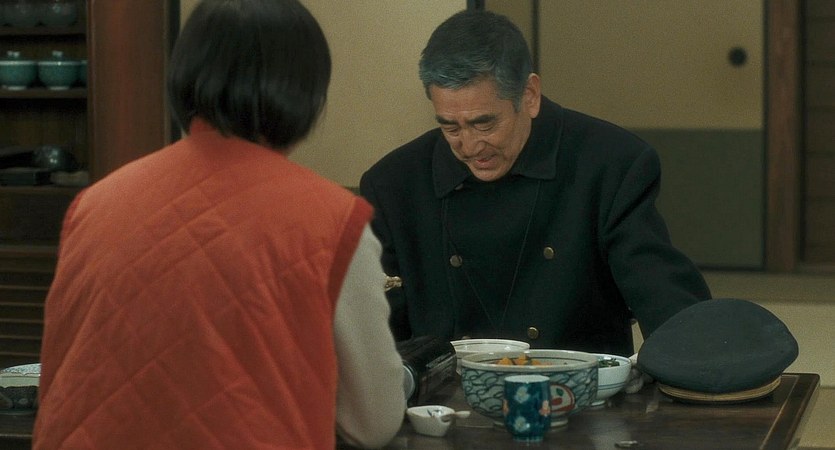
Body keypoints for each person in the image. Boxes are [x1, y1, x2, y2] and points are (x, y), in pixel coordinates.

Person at [34, 1, 405, 448]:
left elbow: (58, 378)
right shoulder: (333, 219)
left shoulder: (93, 204)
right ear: (305, 95)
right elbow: (373, 421)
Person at [360, 9, 712, 361]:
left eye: (484, 124)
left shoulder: (608, 164)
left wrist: (698, 361)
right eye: (450, 127)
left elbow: (660, 292)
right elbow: (377, 342)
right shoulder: (394, 186)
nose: (469, 146)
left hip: (580, 389)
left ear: (529, 95)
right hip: (447, 392)